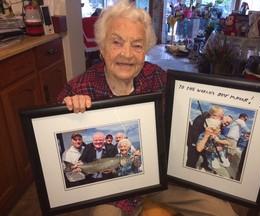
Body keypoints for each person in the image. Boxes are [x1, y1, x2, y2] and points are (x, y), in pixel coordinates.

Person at [57, 0, 237, 215]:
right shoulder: (79, 88)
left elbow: (194, 103)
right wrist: (68, 114)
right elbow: (52, 138)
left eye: (137, 45)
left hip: (161, 178)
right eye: (117, 42)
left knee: (221, 210)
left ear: (146, 51)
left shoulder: (157, 77)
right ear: (102, 47)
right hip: (115, 187)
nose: (127, 53)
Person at [186, 105, 232, 169]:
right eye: (221, 117)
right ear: (214, 116)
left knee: (206, 159)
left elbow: (220, 135)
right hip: (193, 143)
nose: (222, 119)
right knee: (192, 160)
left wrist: (220, 144)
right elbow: (195, 138)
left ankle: (205, 165)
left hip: (207, 144)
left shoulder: (217, 122)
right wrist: (207, 148)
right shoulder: (200, 120)